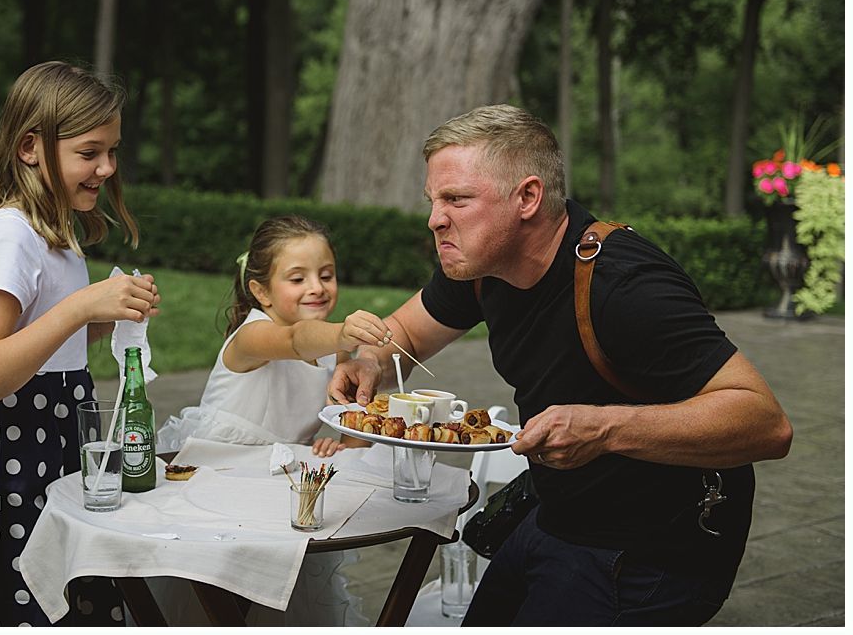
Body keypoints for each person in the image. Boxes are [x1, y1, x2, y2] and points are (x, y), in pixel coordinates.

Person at [327, 104, 793, 626]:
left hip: (653, 550)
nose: (435, 218)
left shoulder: (625, 285)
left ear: (527, 197)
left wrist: (605, 427)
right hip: (557, 516)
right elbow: (407, 332)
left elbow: (767, 425)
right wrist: (371, 358)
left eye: (457, 199)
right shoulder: (482, 267)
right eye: (433, 200)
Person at [0, 61, 161, 627]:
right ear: (30, 148)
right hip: (2, 453)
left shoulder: (59, 233)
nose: (107, 168)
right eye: (90, 153)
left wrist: (105, 317)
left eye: (112, 151)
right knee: (9, 594)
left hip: (50, 436)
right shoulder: (11, 232)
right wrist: (79, 307)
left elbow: (49, 345)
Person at [153, 214, 390, 626]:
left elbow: (350, 426)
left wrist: (341, 441)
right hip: (217, 478)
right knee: (208, 599)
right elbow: (295, 342)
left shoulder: (334, 350)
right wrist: (342, 335)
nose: (316, 287)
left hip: (276, 486)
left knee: (278, 601)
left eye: (326, 274)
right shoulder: (253, 335)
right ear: (260, 290)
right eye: (297, 279)